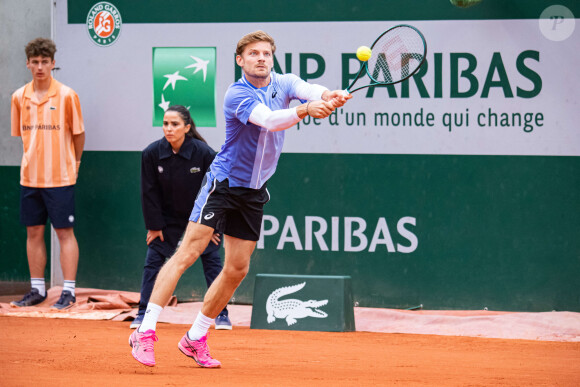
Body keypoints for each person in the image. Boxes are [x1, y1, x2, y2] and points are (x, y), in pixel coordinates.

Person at [129, 30, 351, 368]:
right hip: (224, 183)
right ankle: (144, 332)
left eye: (266, 53)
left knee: (236, 269)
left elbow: (308, 88)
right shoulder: (237, 94)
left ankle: (195, 337)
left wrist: (327, 95)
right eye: (253, 53)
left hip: (254, 190)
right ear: (240, 60)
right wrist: (306, 110)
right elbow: (270, 121)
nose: (261, 58)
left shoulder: (284, 82)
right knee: (187, 253)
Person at [132, 105, 231, 330]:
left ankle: (221, 314)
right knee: (153, 263)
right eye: (165, 124)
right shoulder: (151, 153)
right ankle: (143, 312)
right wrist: (154, 226)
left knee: (213, 262)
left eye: (175, 124)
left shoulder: (204, 153)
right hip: (166, 221)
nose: (169, 129)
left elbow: (218, 190)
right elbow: (148, 192)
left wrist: (214, 225)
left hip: (200, 219)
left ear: (187, 127)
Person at [10, 38, 85, 310]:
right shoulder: (18, 97)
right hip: (29, 178)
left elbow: (78, 134)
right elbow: (22, 137)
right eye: (35, 62)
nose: (40, 67)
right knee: (33, 231)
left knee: (65, 232)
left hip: (61, 178)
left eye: (45, 62)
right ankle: (37, 290)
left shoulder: (67, 95)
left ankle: (69, 291)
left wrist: (75, 165)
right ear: (28, 64)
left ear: (53, 63)